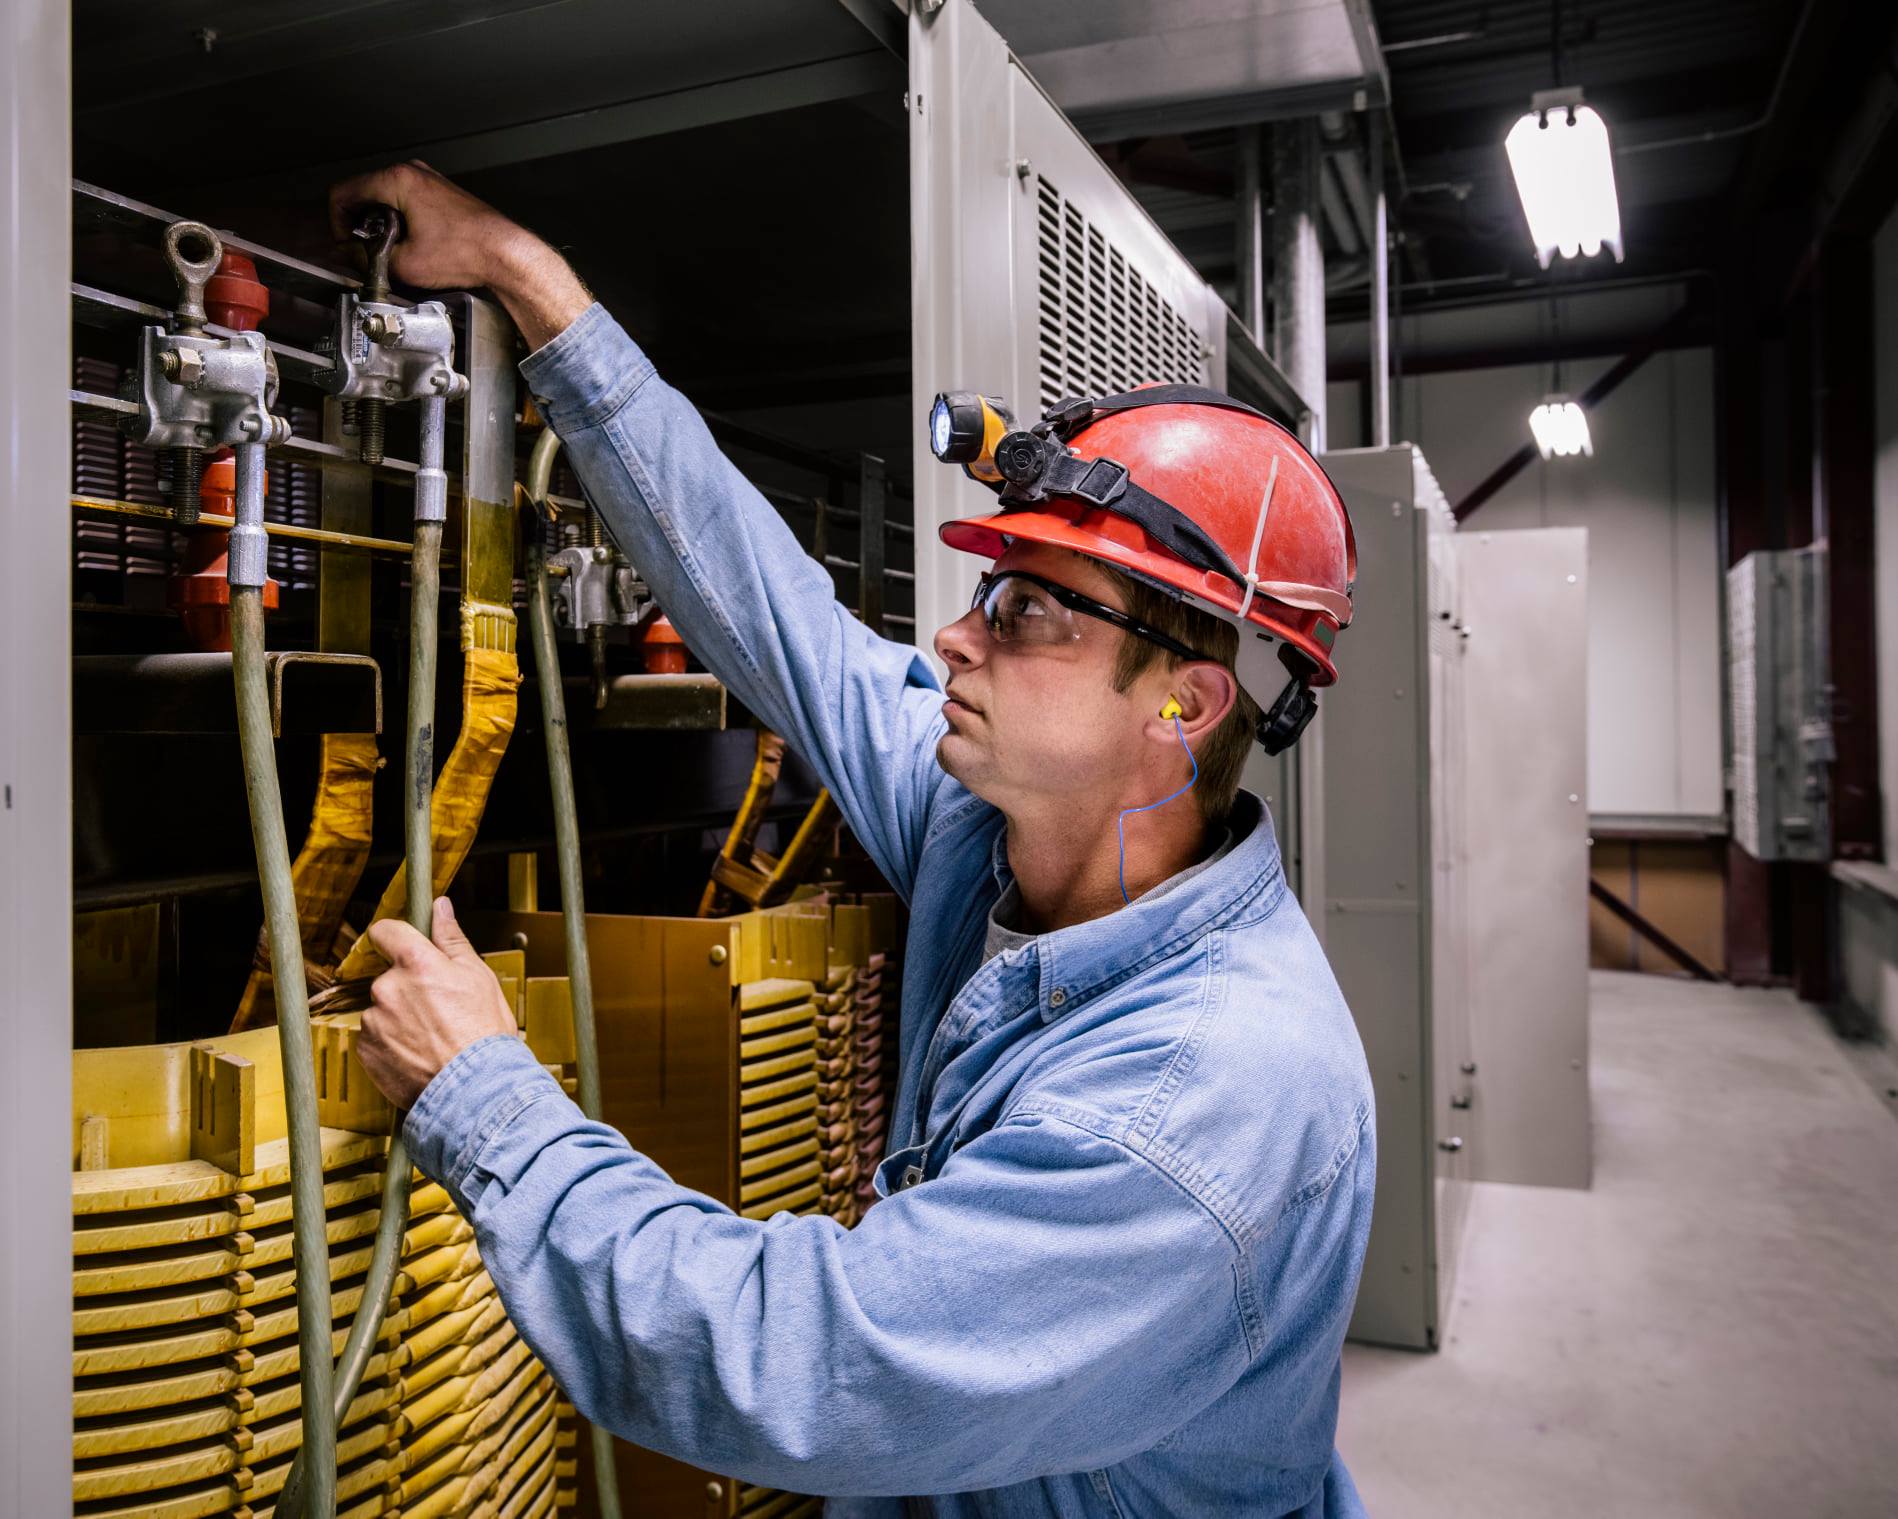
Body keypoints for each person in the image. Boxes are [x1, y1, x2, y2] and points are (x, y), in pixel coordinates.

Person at [342, 161, 1376, 1518]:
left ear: (1180, 705)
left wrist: (482, 1092)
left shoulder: (1199, 1104)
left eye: (1027, 611)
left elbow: (801, 1366)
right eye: (985, 590)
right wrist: (534, 286)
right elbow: (770, 609)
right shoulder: (990, 839)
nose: (954, 635)